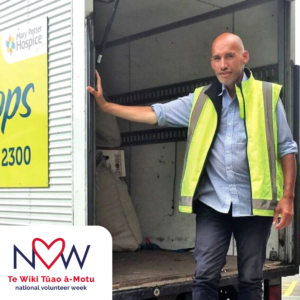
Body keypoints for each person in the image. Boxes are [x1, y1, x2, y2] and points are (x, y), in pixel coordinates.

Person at [87, 33, 297, 300]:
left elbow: (286, 149)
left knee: (251, 279)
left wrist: (287, 197)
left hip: (254, 205)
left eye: (229, 56)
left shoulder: (267, 96)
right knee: (205, 277)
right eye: (217, 58)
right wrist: (105, 106)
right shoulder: (200, 100)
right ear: (211, 62)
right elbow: (156, 114)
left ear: (245, 57)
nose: (223, 64)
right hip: (214, 205)